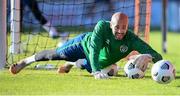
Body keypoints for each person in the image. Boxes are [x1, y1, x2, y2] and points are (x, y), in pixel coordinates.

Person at [9, 12, 163, 79]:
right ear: (111, 25)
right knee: (56, 54)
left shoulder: (131, 39)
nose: (120, 31)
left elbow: (157, 55)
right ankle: (26, 61)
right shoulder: (102, 26)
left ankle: (74, 64)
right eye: (117, 27)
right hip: (83, 45)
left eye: (124, 28)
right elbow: (94, 50)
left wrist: (150, 56)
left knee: (111, 71)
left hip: (100, 61)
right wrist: (95, 72)